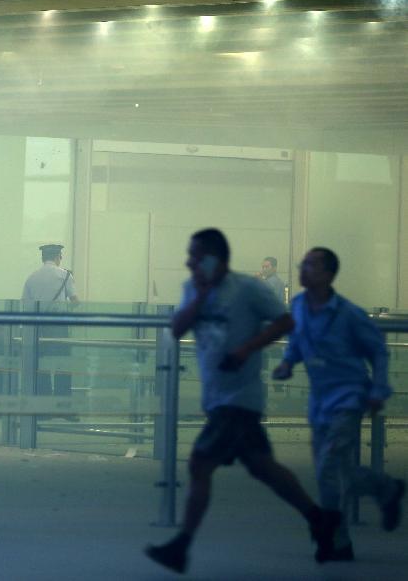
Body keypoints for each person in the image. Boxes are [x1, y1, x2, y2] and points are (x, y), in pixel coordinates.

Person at [145, 228, 339, 574]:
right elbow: (176, 328)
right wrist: (200, 298)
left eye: (195, 255)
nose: (189, 261)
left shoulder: (248, 289)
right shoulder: (193, 289)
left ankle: (182, 546)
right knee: (264, 468)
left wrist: (248, 348)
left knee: (199, 465)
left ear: (214, 258)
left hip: (238, 398)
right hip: (217, 396)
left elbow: (284, 321)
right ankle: (320, 519)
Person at [272, 247, 405, 562]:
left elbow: (378, 351)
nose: (303, 269)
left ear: (329, 275)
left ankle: (331, 539)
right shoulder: (301, 305)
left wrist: (379, 389)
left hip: (348, 398)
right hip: (320, 402)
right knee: (331, 472)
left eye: (311, 265)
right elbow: (298, 341)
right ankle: (384, 490)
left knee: (330, 467)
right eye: (303, 264)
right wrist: (288, 363)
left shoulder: (348, 314)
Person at [21, 243, 79, 396]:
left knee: (41, 366)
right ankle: (62, 404)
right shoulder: (65, 275)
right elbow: (75, 302)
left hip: (38, 328)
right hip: (59, 327)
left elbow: (26, 305)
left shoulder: (31, 278)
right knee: (63, 365)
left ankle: (43, 404)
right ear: (57, 257)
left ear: (43, 258)